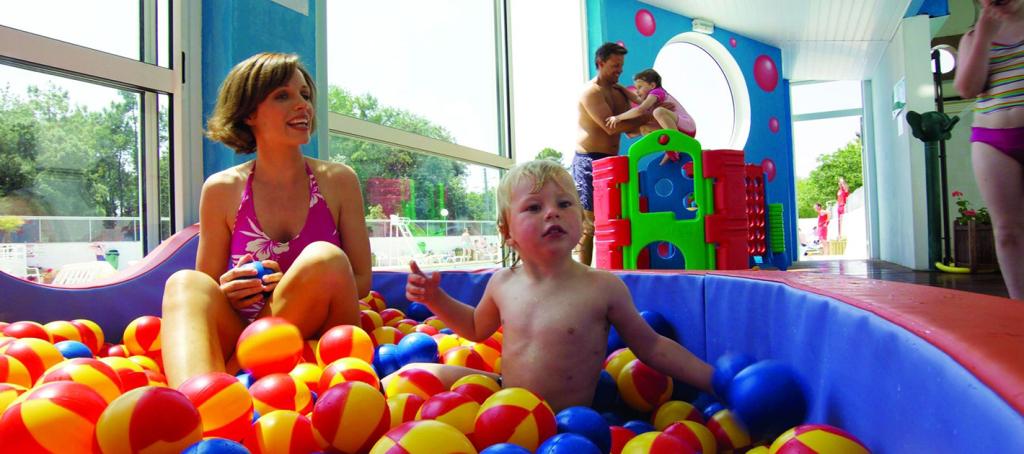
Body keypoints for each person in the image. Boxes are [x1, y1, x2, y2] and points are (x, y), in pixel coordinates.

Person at [399, 160, 713, 412]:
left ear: (583, 222)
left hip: (564, 424)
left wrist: (714, 380)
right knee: (412, 375)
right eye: (534, 208)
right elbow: (474, 327)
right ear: (507, 232)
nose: (552, 212)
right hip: (507, 404)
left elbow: (653, 347)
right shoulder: (503, 282)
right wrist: (435, 298)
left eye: (564, 203)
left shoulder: (603, 287)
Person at [161, 52, 372, 386]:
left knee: (325, 258)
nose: (303, 105)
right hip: (245, 329)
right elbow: (209, 288)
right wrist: (230, 287)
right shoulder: (221, 190)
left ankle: (226, 383)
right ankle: (199, 408)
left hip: (316, 339)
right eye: (283, 96)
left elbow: (361, 279)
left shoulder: (339, 180)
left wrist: (294, 283)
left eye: (305, 95)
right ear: (248, 113)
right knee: (184, 282)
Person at [955, 0, 1024, 300]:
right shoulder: (973, 37)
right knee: (1007, 233)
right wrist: (984, 36)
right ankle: (1019, 310)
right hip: (992, 141)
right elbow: (968, 88)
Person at [575, 43, 653, 266]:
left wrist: (657, 121)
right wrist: (647, 118)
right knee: (590, 224)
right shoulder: (591, 92)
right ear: (600, 63)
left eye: (621, 66)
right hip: (589, 160)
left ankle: (616, 268)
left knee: (616, 218)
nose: (620, 70)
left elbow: (628, 129)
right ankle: (582, 272)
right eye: (615, 65)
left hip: (612, 161)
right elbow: (610, 127)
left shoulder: (619, 92)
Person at [605, 68, 696, 165]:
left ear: (652, 85)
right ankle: (669, 150)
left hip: (687, 126)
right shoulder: (651, 101)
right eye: (636, 88)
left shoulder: (657, 92)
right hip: (676, 127)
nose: (638, 91)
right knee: (644, 129)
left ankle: (676, 142)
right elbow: (632, 130)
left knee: (658, 111)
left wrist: (618, 117)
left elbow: (640, 110)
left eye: (640, 87)